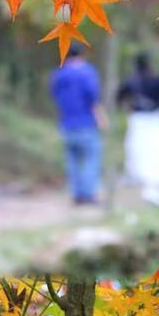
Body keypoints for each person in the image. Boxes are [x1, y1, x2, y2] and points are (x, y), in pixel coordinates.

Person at [116, 52, 159, 206]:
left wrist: (129, 106)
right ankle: (157, 182)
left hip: (138, 119)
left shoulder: (131, 81)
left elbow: (119, 97)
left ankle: (144, 179)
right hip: (156, 118)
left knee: (140, 150)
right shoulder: (157, 80)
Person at [49, 42, 105, 205]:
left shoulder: (58, 75)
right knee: (91, 158)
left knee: (72, 161)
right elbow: (92, 98)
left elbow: (55, 96)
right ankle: (88, 194)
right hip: (86, 123)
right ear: (82, 55)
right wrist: (101, 118)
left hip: (66, 124)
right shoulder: (87, 72)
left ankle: (76, 194)